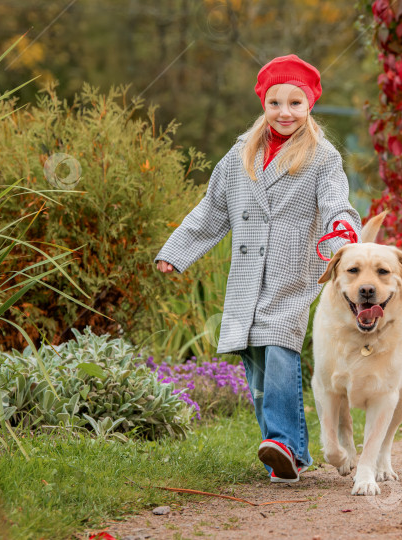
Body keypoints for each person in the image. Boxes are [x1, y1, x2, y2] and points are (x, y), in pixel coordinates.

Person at [154, 54, 362, 483]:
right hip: (248, 274)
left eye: (295, 103)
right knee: (256, 362)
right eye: (275, 103)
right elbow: (212, 210)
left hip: (293, 273)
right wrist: (176, 251)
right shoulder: (239, 156)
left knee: (280, 350)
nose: (284, 113)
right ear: (263, 104)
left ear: (310, 106)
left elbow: (336, 205)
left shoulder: (323, 158)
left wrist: (342, 237)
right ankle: (287, 454)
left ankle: (283, 442)